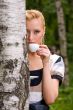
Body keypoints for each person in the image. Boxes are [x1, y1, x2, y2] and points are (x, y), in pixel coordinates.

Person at [26, 9, 65, 110]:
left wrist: (46, 63)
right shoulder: (11, 60)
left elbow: (50, 99)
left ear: (43, 31)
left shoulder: (55, 60)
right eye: (26, 31)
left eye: (36, 32)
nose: (30, 38)